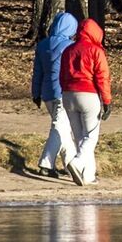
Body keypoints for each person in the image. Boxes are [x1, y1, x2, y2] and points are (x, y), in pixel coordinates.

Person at [58, 18, 112, 185]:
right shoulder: (96, 51)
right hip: (88, 94)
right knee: (91, 136)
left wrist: (65, 90)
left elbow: (61, 75)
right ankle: (77, 162)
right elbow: (102, 77)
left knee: (80, 136)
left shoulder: (68, 50)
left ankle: (88, 176)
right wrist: (107, 101)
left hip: (68, 95)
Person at [30, 11, 79, 177]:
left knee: (64, 129)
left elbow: (37, 72)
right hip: (63, 92)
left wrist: (35, 93)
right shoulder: (70, 47)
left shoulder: (42, 45)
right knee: (59, 127)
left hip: (46, 93)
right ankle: (46, 164)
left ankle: (72, 166)